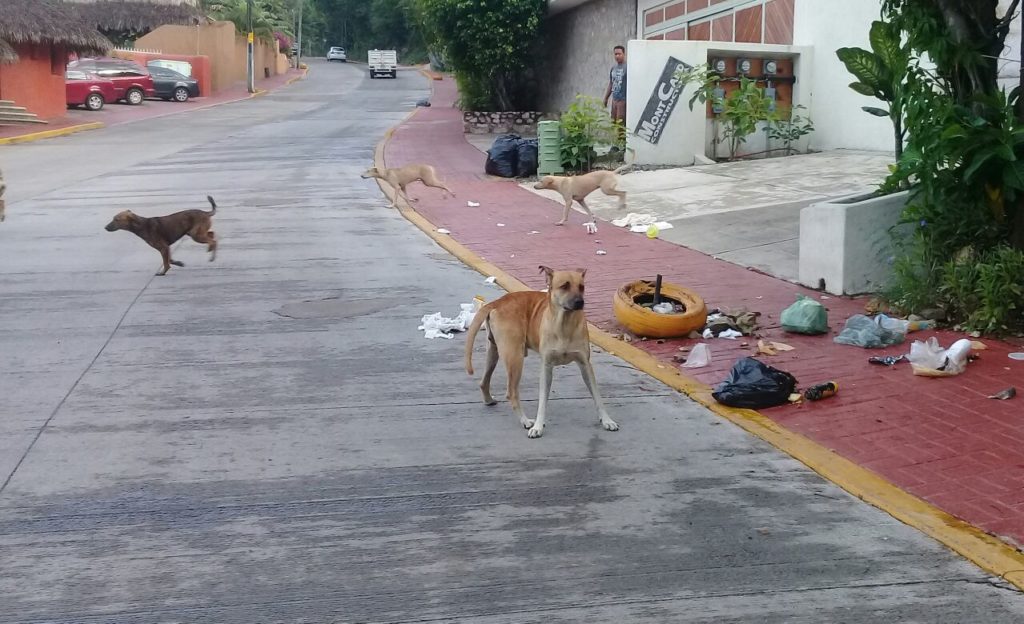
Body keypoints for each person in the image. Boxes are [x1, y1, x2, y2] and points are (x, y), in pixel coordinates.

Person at [603, 45, 627, 138]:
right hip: (614, 99)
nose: (617, 56)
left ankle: (622, 143)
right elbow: (611, 83)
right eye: (615, 54)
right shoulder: (613, 68)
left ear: (624, 54)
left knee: (621, 123)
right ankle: (616, 142)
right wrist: (606, 98)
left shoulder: (627, 67)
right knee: (613, 122)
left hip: (623, 100)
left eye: (619, 54)